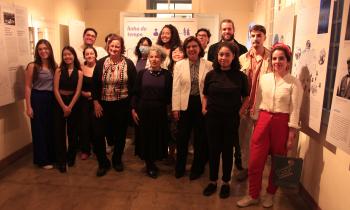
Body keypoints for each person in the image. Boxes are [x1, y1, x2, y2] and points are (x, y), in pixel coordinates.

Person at [237, 43, 303, 208]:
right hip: (263, 120)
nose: (277, 61)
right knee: (255, 162)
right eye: (274, 58)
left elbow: (295, 110)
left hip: (282, 123)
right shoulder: (265, 79)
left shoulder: (294, 83)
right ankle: (253, 194)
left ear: (288, 61)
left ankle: (270, 194)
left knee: (277, 162)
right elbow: (258, 101)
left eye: (281, 58)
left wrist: (291, 134)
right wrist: (255, 119)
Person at [202, 42, 249, 199]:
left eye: (227, 54)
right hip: (212, 118)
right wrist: (204, 109)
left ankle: (226, 182)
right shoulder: (211, 74)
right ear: (217, 56)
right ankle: (213, 181)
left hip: (231, 119)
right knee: (213, 150)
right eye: (221, 54)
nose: (223, 57)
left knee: (228, 151)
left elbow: (247, 97)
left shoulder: (240, 76)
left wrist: (240, 113)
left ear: (233, 56)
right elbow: (205, 94)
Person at [91, 34, 137, 177]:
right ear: (108, 47)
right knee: (98, 134)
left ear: (121, 48)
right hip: (103, 105)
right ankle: (103, 162)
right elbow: (94, 85)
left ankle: (117, 160)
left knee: (120, 135)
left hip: (122, 105)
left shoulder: (128, 64)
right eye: (112, 46)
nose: (114, 48)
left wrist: (132, 106)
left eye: (117, 46)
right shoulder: (100, 63)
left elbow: (134, 87)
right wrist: (96, 102)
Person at [172, 36, 213, 180]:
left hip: (201, 105)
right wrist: (175, 108)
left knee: (200, 139)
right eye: (188, 47)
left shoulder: (208, 65)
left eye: (194, 46)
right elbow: (176, 88)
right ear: (185, 49)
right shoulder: (179, 65)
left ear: (200, 48)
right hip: (184, 105)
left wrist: (208, 106)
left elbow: (210, 88)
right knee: (182, 138)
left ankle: (197, 168)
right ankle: (180, 167)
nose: (191, 49)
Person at [131, 46, 172, 179]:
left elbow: (170, 95)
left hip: (160, 111)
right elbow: (135, 94)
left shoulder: (167, 75)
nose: (154, 59)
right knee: (146, 137)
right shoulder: (142, 73)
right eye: (152, 57)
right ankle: (149, 164)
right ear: (148, 58)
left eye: (157, 57)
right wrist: (133, 109)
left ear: (162, 59)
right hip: (143, 110)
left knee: (157, 136)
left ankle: (154, 160)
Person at [237, 24, 272, 181]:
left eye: (259, 35)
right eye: (253, 35)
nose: (256, 38)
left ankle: (257, 168)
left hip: (263, 106)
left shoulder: (272, 58)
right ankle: (246, 168)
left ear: (264, 37)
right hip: (245, 106)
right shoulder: (242, 59)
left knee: (260, 141)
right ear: (249, 37)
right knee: (244, 139)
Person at [25, 39, 57, 170]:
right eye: (40, 49)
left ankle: (52, 156)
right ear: (37, 51)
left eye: (46, 48)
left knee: (51, 129)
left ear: (50, 50)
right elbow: (27, 87)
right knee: (39, 130)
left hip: (52, 99)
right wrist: (28, 106)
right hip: (38, 98)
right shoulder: (32, 66)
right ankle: (42, 160)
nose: (43, 51)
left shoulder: (54, 65)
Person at [53, 46, 83, 173]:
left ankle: (71, 157)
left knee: (72, 132)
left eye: (69, 54)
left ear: (74, 56)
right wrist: (64, 106)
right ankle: (61, 161)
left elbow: (78, 91)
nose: (67, 57)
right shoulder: (59, 71)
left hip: (74, 103)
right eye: (65, 55)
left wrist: (70, 106)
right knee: (60, 133)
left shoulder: (80, 72)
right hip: (59, 103)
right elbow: (55, 89)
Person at [79, 46, 98, 160]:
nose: (90, 55)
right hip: (83, 102)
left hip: (97, 101)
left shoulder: (100, 67)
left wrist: (92, 95)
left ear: (95, 54)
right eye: (87, 54)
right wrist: (82, 93)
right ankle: (85, 150)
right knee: (84, 126)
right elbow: (76, 85)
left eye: (92, 53)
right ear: (84, 56)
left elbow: (103, 85)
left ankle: (98, 149)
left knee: (97, 126)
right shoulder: (81, 68)